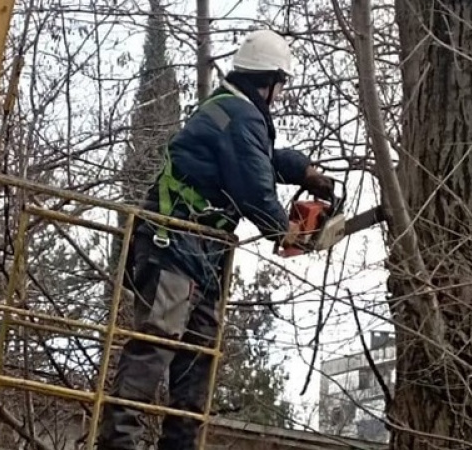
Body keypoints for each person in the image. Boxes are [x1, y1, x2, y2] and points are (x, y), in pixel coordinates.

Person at [98, 29, 334, 450]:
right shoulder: (239, 118)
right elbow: (254, 189)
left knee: (198, 351)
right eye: (280, 87)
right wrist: (285, 231)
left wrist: (304, 171)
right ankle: (117, 443)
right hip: (176, 241)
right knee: (158, 341)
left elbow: (259, 158)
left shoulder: (232, 112)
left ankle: (180, 444)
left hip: (201, 250)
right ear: (271, 81)